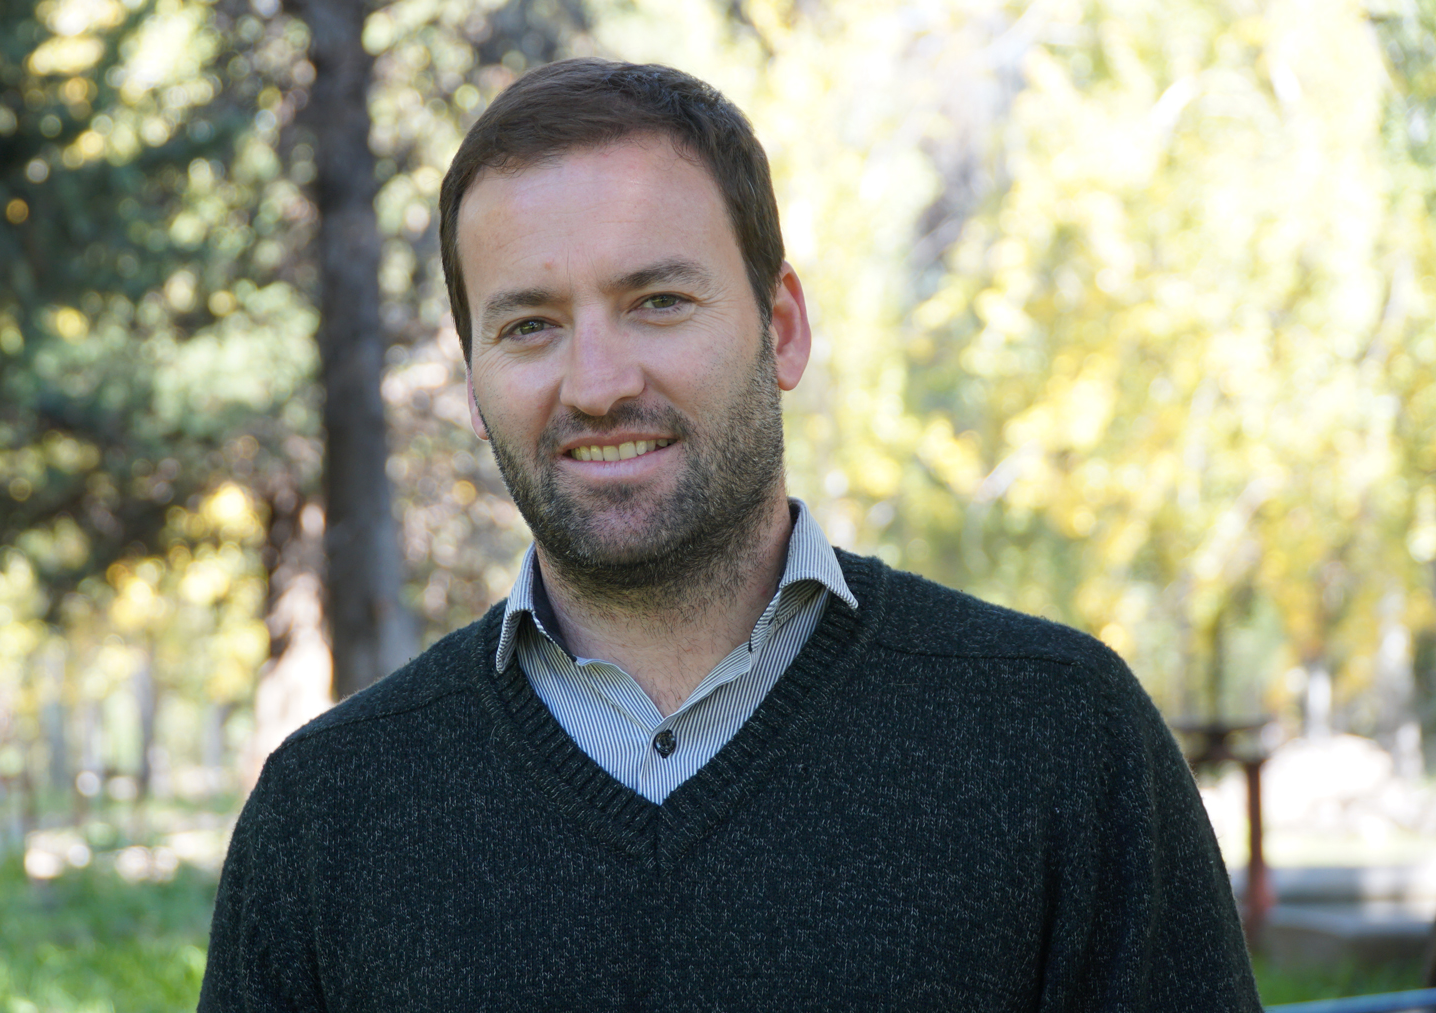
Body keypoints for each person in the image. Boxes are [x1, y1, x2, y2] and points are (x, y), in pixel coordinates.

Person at [199, 58, 1261, 1011]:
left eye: (658, 301)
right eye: (529, 325)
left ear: (782, 329)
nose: (597, 384)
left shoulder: (1059, 737)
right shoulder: (325, 812)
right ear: (474, 381)